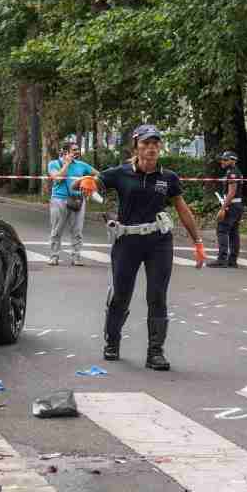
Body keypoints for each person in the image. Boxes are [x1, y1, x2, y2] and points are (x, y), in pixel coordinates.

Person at [77, 124, 206, 370]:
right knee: (121, 295)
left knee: (157, 296)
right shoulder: (120, 173)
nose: (151, 148)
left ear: (160, 147)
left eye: (155, 144)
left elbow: (182, 208)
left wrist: (197, 242)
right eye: (146, 143)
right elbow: (89, 184)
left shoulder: (168, 178)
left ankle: (155, 352)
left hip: (159, 242)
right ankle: (112, 342)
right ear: (136, 146)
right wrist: (86, 182)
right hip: (127, 241)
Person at [46, 140, 100, 266]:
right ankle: (54, 256)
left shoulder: (81, 165)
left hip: (78, 200)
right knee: (57, 230)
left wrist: (90, 183)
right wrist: (66, 164)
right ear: (65, 152)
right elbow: (58, 179)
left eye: (77, 149)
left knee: (77, 231)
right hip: (59, 200)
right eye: (74, 150)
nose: (77, 151)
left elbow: (99, 175)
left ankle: (76, 257)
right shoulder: (54, 164)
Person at [208, 150, 244, 268]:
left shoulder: (232, 173)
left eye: (225, 159)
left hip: (232, 206)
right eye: (222, 159)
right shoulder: (235, 172)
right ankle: (232, 260)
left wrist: (223, 208)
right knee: (233, 233)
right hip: (237, 206)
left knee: (222, 230)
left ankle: (222, 259)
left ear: (233, 161)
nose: (222, 162)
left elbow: (232, 193)